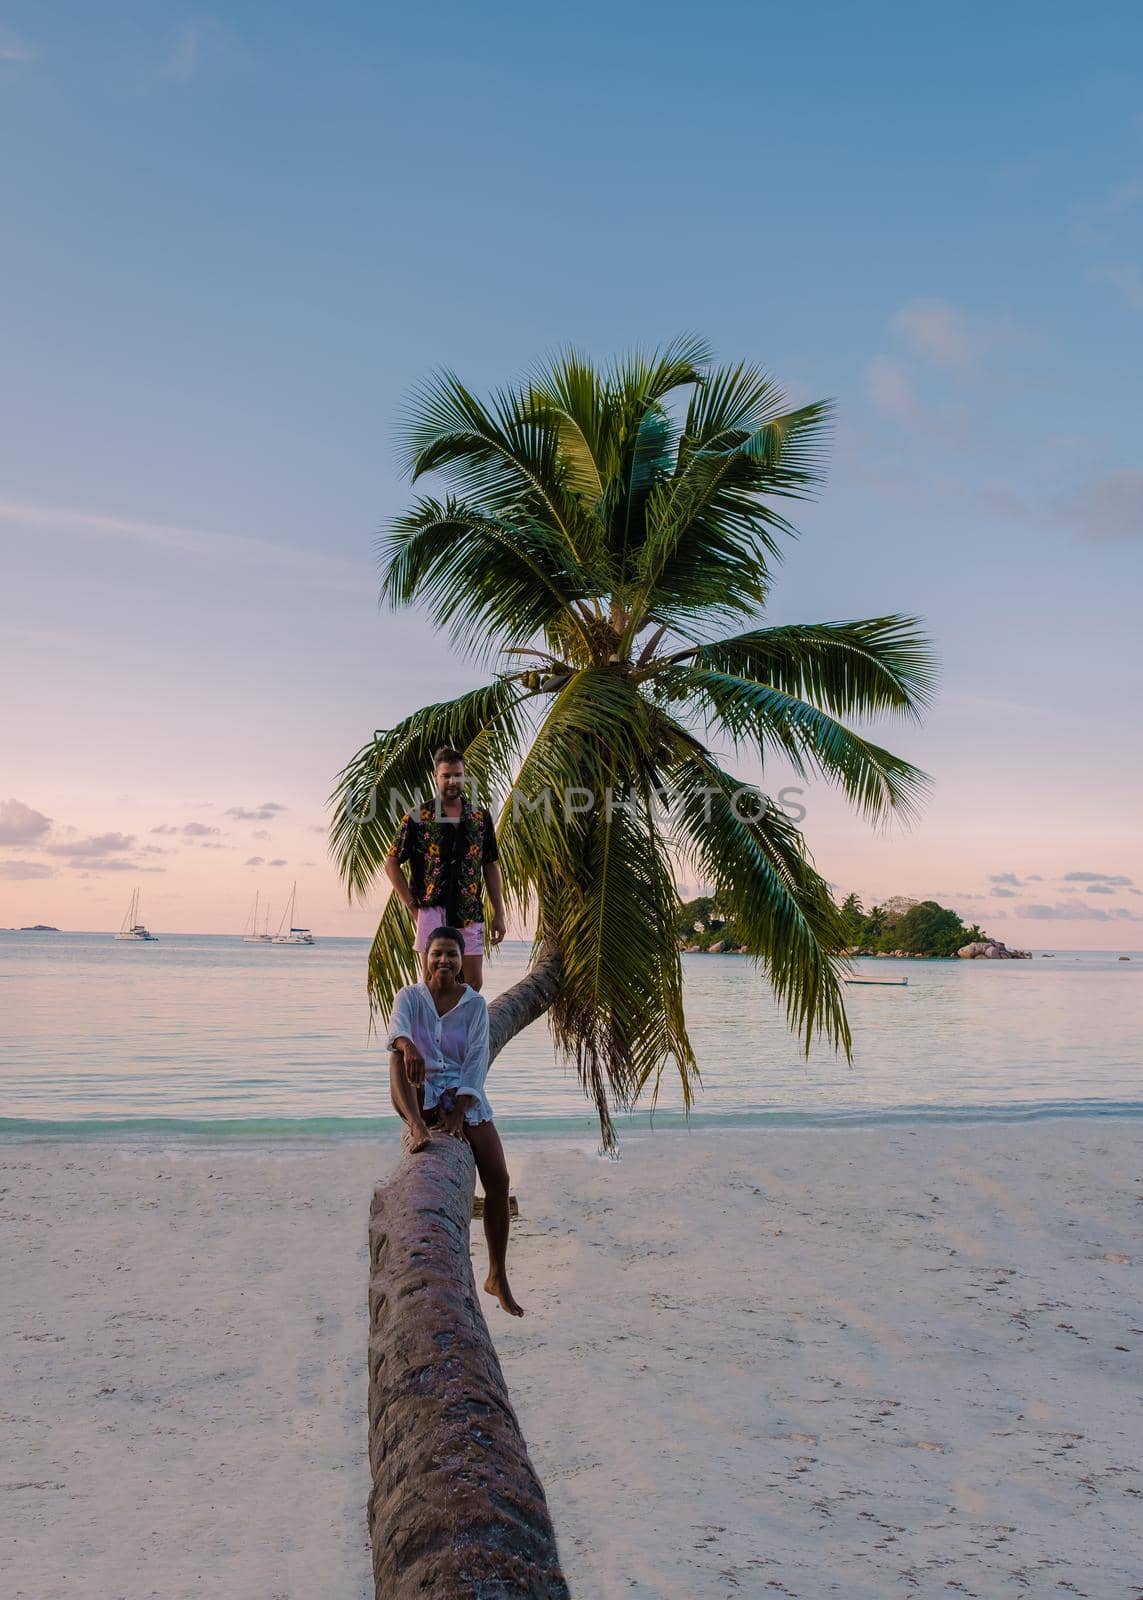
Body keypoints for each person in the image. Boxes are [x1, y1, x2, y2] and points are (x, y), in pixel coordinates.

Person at [386, 924, 523, 1317]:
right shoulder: (410, 997)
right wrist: (409, 1044)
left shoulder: (474, 1005)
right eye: (437, 953)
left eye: (451, 954)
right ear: (425, 959)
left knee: (498, 1178)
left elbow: (477, 1059)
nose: (443, 960)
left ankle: (497, 1274)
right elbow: (395, 1032)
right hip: (420, 1093)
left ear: (462, 962)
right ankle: (416, 1128)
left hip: (462, 1097)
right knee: (396, 1055)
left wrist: (461, 1112)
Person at [384, 747, 507, 991]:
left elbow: (490, 864)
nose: (452, 781)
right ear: (435, 776)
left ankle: (459, 1029)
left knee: (473, 983)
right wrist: (412, 905)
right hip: (431, 911)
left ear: (465, 775)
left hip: (468, 909)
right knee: (434, 984)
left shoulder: (480, 818)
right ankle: (435, 1029)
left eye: (458, 775)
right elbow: (391, 862)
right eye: (446, 775)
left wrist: (500, 913)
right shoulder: (418, 817)